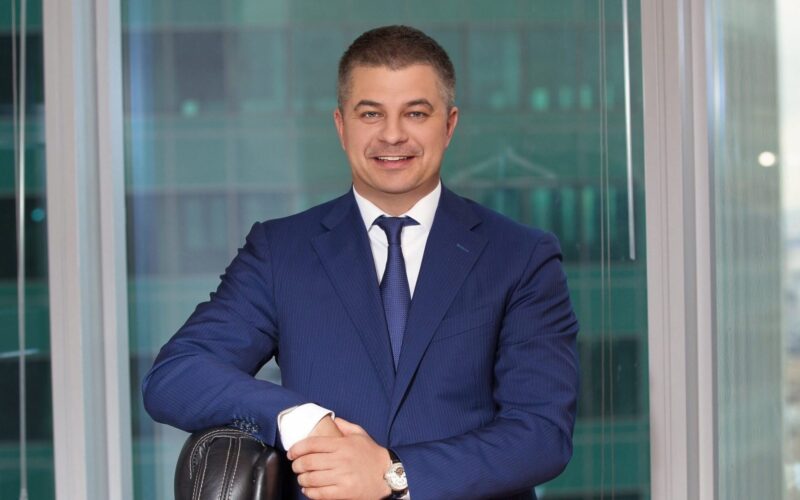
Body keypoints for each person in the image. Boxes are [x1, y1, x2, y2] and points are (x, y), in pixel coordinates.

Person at [143, 25, 579, 500]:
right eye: (371, 114)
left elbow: (541, 434)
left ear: (449, 124)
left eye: (416, 113)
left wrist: (394, 472)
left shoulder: (520, 256)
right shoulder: (280, 251)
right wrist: (300, 420)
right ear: (341, 125)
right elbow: (177, 374)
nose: (392, 135)